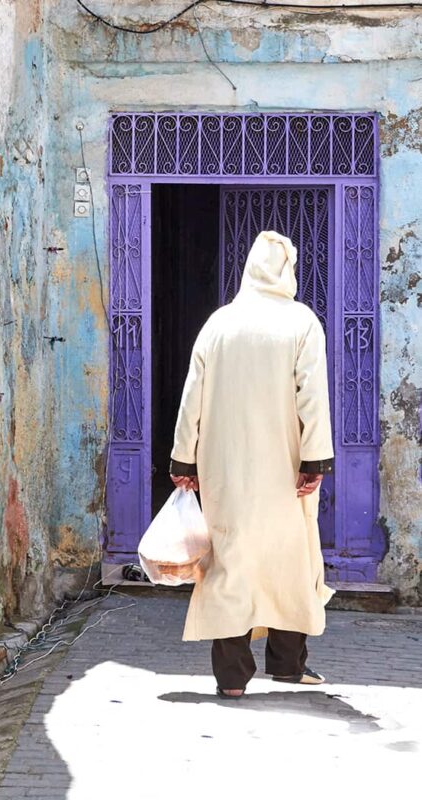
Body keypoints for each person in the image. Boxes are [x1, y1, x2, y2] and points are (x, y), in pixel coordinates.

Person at [170, 230, 334, 699]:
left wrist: (184, 458)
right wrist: (314, 460)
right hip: (285, 472)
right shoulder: (302, 323)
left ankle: (232, 679)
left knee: (230, 564)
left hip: (224, 471)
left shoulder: (218, 324)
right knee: (291, 562)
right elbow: (313, 399)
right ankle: (287, 666)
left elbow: (190, 400)